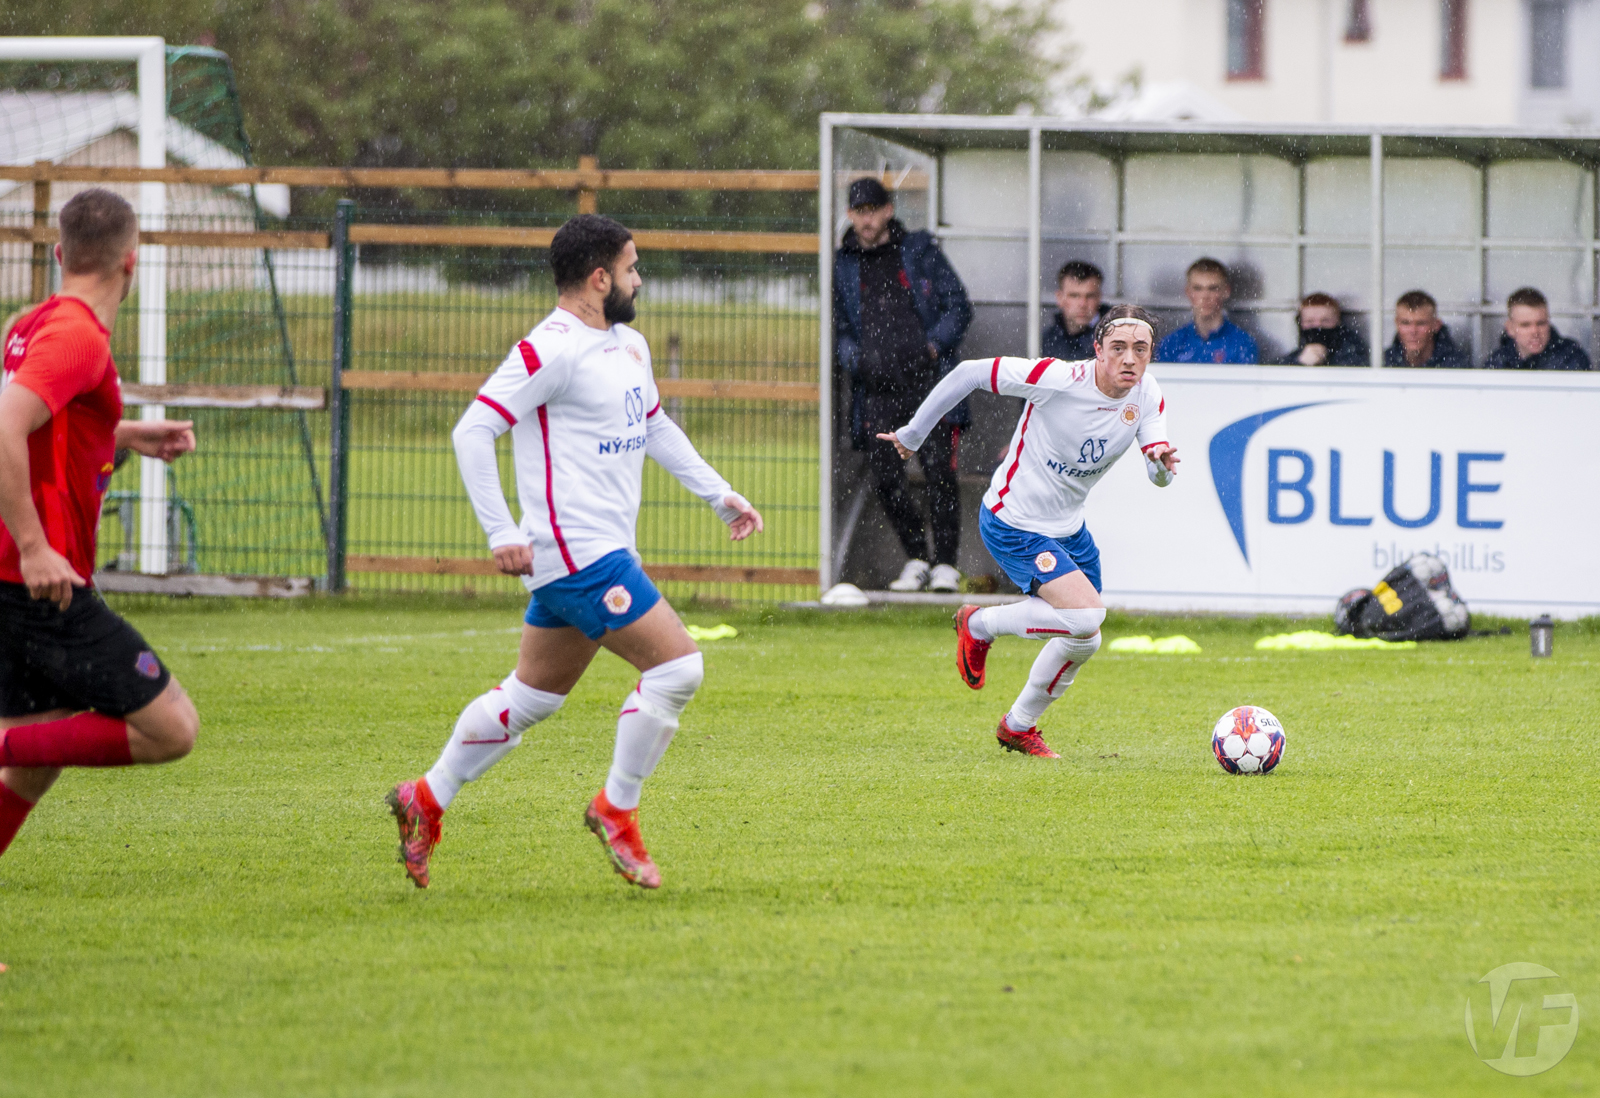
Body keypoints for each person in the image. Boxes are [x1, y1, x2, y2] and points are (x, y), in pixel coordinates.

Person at [386, 214, 763, 892]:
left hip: (596, 551)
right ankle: (615, 809)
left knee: (532, 698)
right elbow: (474, 430)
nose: (638, 280)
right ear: (600, 277)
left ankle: (427, 796)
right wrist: (502, 531)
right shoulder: (550, 349)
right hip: (575, 552)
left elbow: (653, 425)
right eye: (631, 268)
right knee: (679, 669)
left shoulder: (628, 345)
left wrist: (719, 494)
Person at [877, 306, 1178, 758]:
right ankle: (979, 624)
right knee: (1086, 617)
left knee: (1085, 636)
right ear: (1097, 350)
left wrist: (1158, 465)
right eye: (1118, 348)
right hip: (1012, 521)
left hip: (1068, 530)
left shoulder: (1147, 394)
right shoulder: (1056, 379)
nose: (1129, 359)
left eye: (1140, 349)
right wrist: (915, 433)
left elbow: (1161, 474)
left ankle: (1018, 726)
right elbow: (969, 372)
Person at [0, 188, 199, 860]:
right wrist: (34, 547)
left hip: (17, 579)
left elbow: (42, 434)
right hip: (40, 584)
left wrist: (123, 433)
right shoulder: (78, 337)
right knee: (171, 728)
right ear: (132, 263)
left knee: (33, 762)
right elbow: (4, 427)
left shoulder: (32, 323)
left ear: (60, 255)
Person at [833, 177, 973, 593]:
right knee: (885, 477)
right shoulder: (843, 263)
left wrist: (931, 349)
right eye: (859, 211)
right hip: (877, 388)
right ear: (849, 214)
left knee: (939, 474)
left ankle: (946, 565)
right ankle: (916, 558)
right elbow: (840, 328)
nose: (867, 219)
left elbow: (958, 306)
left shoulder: (919, 251)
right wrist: (856, 360)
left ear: (889, 210)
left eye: (873, 209)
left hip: (930, 384)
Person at [1156, 258, 1258, 364]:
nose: (1205, 296)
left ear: (1226, 291)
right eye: (1198, 288)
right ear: (1188, 292)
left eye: (1213, 288)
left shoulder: (1242, 343)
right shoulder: (1171, 343)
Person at [1483, 287, 1592, 371]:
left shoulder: (1571, 356)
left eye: (1541, 323)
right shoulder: (1498, 361)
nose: (1535, 331)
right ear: (1510, 328)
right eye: (1525, 325)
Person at [1041, 260, 1112, 361]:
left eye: (1090, 296)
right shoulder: (1048, 338)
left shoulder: (1115, 336)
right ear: (1059, 297)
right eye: (1074, 296)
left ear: (1099, 297)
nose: (1082, 304)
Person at [1384, 290, 1470, 368]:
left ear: (1436, 325)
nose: (1413, 331)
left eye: (1421, 323)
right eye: (1405, 323)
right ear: (1396, 323)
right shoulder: (1382, 362)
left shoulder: (1457, 364)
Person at [1280, 292, 1369, 366]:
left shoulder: (1353, 352)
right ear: (1300, 324)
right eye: (1310, 321)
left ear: (1338, 323)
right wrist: (1300, 362)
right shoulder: (1298, 353)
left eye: (1325, 321)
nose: (1318, 326)